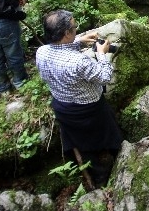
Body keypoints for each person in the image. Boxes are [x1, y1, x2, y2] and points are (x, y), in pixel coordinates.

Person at [36, 10, 123, 188]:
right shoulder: (78, 62)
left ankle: (96, 172)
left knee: (81, 142)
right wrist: (102, 54)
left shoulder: (42, 52)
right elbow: (104, 77)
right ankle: (119, 154)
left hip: (62, 106)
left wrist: (79, 40)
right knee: (110, 131)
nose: (76, 29)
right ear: (67, 33)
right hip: (90, 108)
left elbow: (59, 49)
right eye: (74, 27)